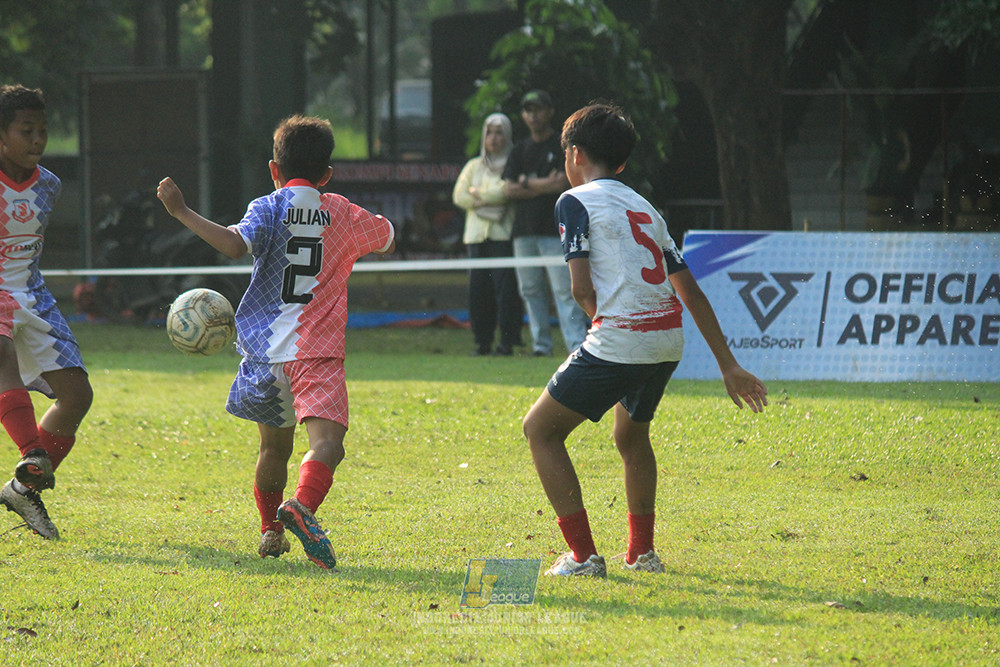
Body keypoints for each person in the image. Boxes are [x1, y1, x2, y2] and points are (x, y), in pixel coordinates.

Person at [522, 104, 768, 578]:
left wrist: (605, 327)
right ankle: (641, 553)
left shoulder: (573, 201)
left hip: (624, 339)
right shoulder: (644, 207)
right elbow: (689, 290)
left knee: (541, 431)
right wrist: (728, 365)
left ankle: (582, 556)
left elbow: (580, 289)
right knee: (631, 436)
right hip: (666, 342)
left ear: (573, 155)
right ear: (621, 163)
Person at [157, 115, 395, 569]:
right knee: (328, 443)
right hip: (316, 354)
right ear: (326, 175)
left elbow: (231, 245)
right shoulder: (342, 211)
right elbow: (386, 239)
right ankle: (302, 507)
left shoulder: (266, 207)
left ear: (274, 169)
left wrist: (182, 211)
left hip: (264, 354)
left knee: (273, 449)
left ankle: (270, 531)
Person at [0, 85, 94, 540]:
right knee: (4, 362)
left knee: (77, 395)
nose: (38, 140)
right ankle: (32, 450)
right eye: (26, 130)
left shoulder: (50, 185)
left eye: (43, 130)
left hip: (32, 297)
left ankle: (22, 488)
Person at [503, 90, 588, 356]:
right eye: (528, 110)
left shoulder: (559, 147)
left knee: (565, 290)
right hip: (523, 231)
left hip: (555, 230)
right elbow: (508, 189)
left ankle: (576, 346)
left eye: (538, 109)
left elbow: (562, 183)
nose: (533, 115)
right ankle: (541, 346)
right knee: (529, 290)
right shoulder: (519, 149)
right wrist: (541, 184)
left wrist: (525, 182)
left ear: (549, 112)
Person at [452, 113, 523, 356]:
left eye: (499, 132)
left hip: (502, 237)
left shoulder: (514, 163)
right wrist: (490, 195)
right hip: (476, 239)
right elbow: (459, 196)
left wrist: (478, 194)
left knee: (506, 292)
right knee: (478, 292)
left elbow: (506, 193)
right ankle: (482, 342)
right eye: (490, 132)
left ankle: (507, 343)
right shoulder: (474, 166)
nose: (494, 138)